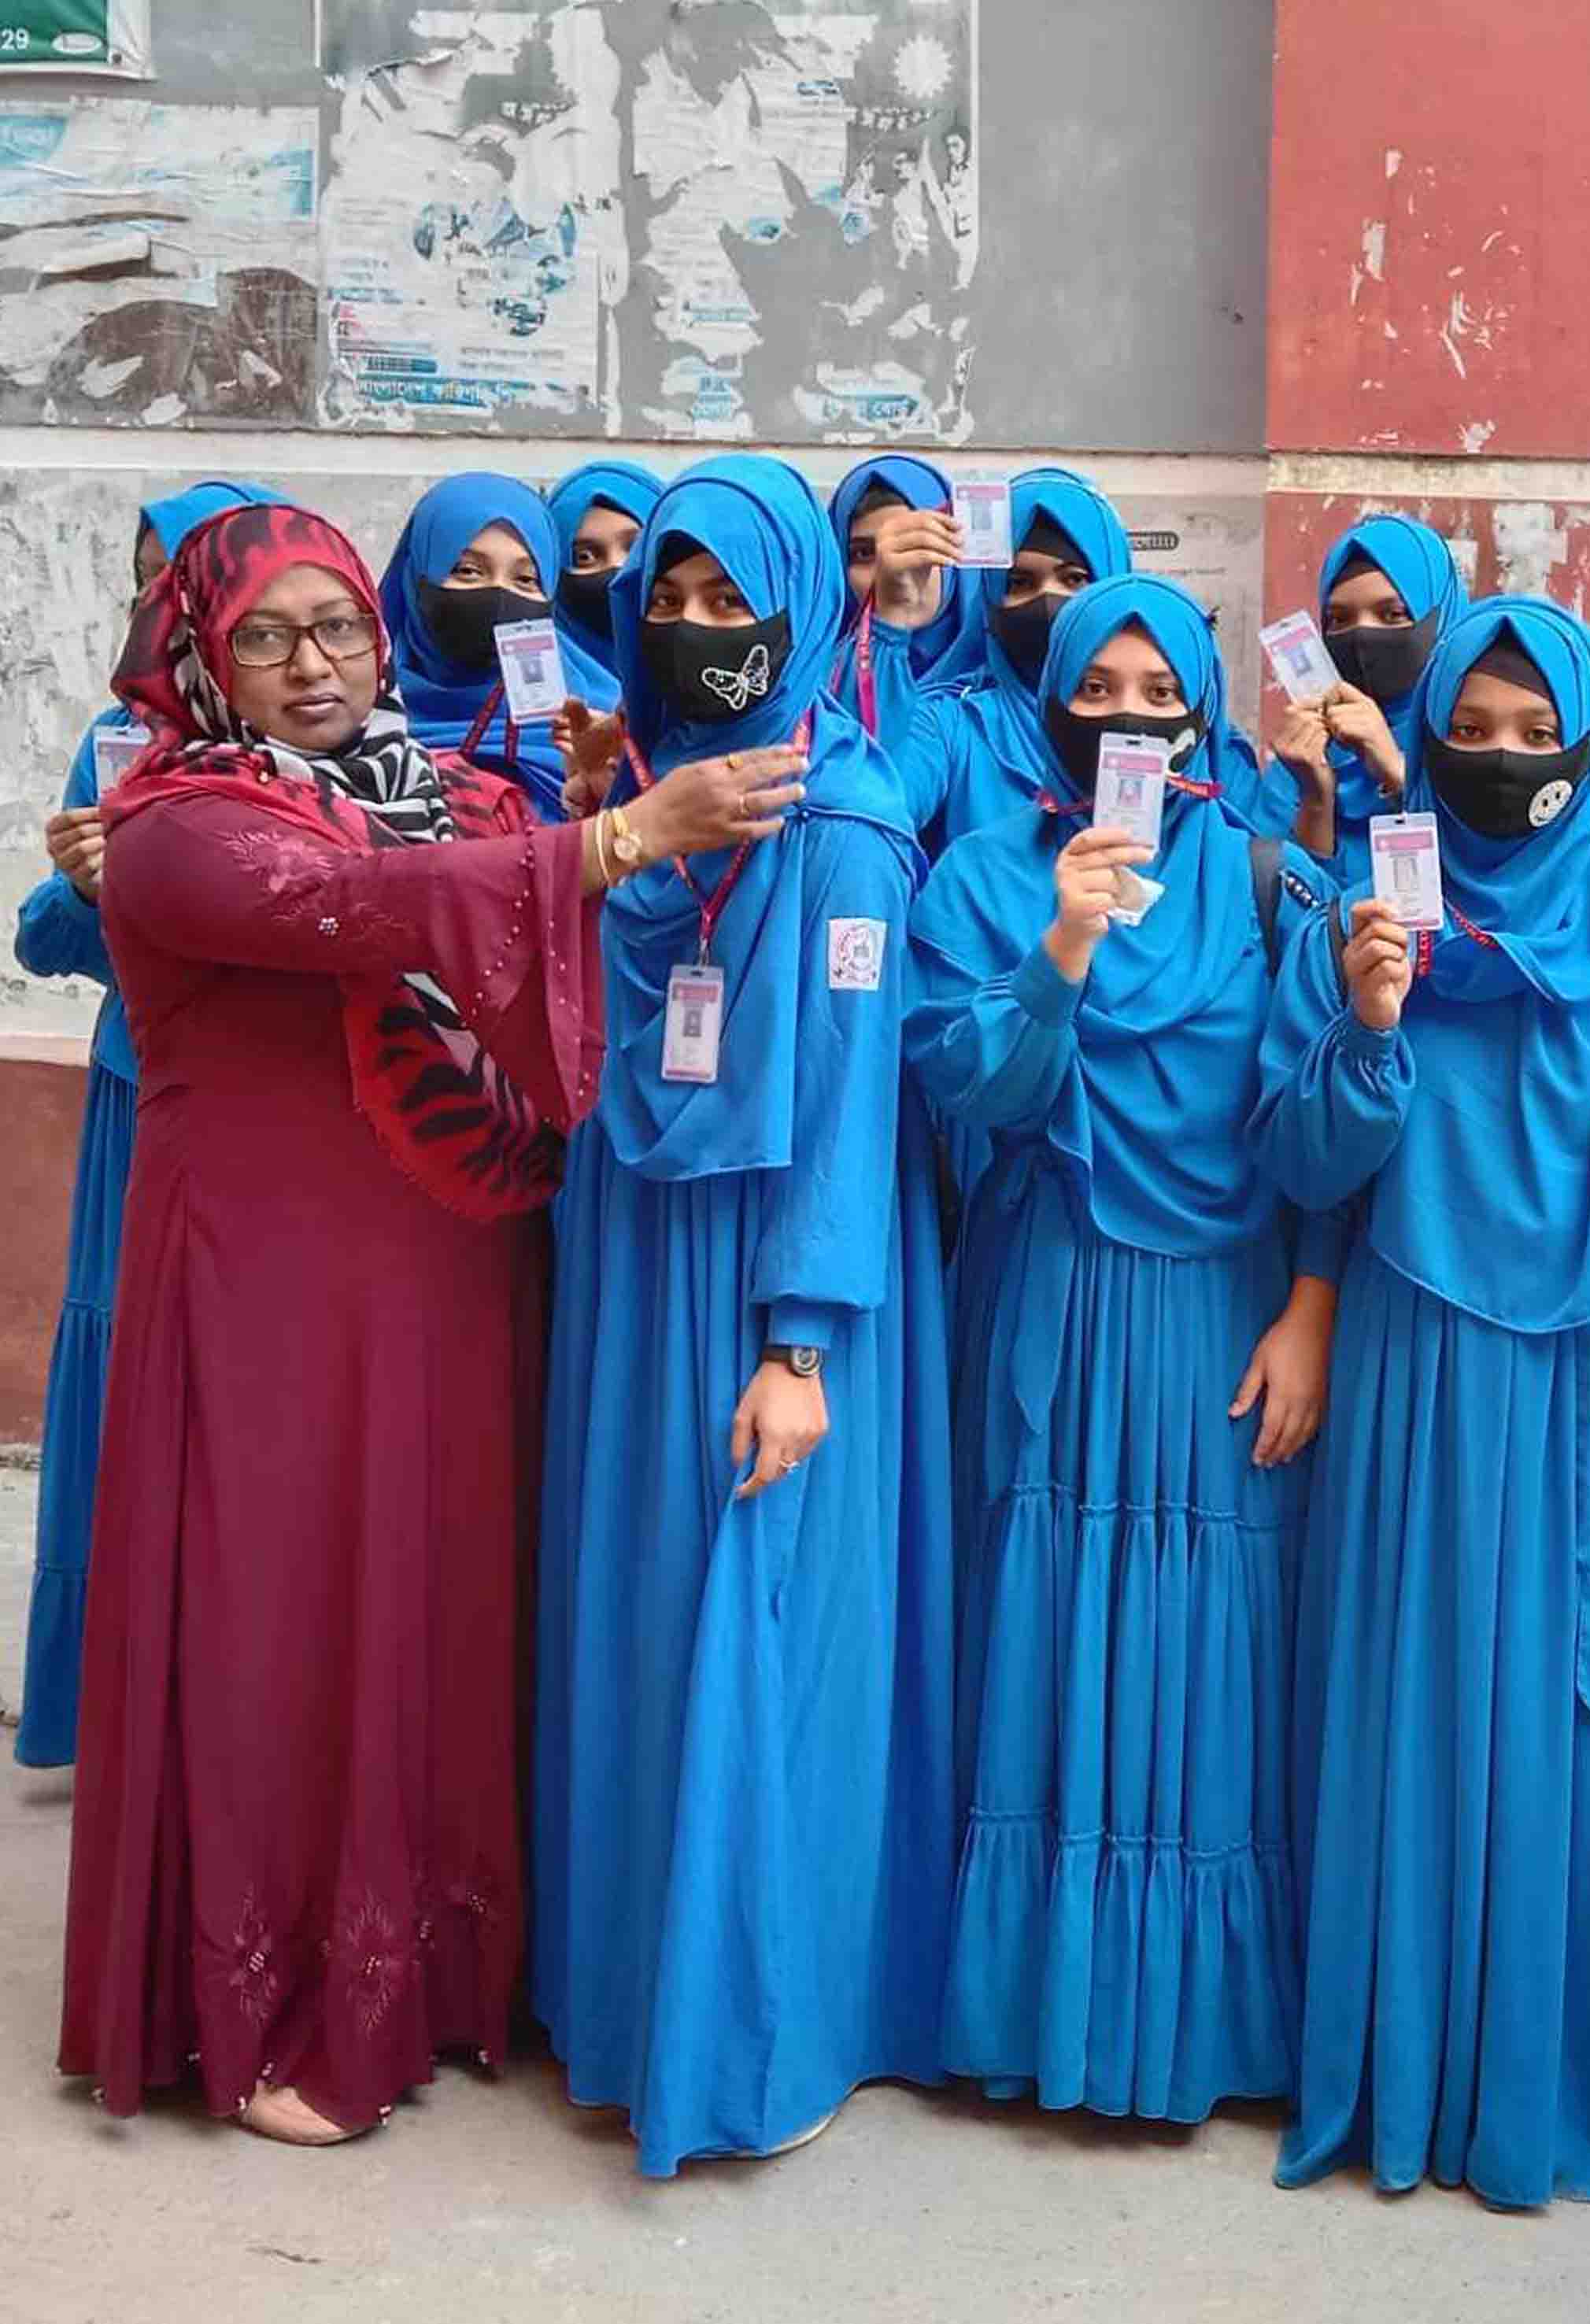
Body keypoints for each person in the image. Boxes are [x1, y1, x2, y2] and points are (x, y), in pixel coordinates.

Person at [57, 499, 776, 2146]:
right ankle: (262, 2011)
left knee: (433, 1596)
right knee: (281, 1613)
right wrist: (613, 839)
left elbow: (501, 891)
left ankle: (432, 1975)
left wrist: (588, 816)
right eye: (264, 636)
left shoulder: (446, 787)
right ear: (202, 659)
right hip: (266, 1290)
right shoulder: (178, 821)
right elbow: (361, 908)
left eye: (336, 628)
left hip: (445, 1265)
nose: (311, 664)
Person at [1259, 595, 1590, 2209]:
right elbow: (1306, 1167)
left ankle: (1539, 2081)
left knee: (1569, 1739)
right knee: (1410, 1718)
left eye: (1539, 735)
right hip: (1415, 1378)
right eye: (1468, 733)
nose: (1500, 760)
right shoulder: (1370, 931)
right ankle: (1403, 2079)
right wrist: (1369, 1026)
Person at [531, 453, 957, 2174]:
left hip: (773, 1276)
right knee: (640, 1615)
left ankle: (754, 2031)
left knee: (762, 1629)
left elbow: (849, 1092)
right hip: (638, 1250)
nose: (699, 626)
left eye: (732, 599)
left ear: (797, 605)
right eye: (672, 599)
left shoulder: (842, 822)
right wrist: (600, 834)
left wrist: (801, 1346)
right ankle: (628, 1988)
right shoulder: (650, 793)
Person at [907, 574, 1338, 2125]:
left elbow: (1315, 1119)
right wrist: (1061, 947)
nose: (1131, 721)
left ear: (1205, 712)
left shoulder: (1269, 881)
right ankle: (1035, 2010)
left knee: (1208, 1650)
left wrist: (1312, 1306)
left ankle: (1196, 2027)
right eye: (1100, 692)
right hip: (1051, 1299)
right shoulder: (981, 876)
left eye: (1162, 695)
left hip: (1223, 1314)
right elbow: (970, 1090)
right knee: (1043, 1628)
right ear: (1052, 704)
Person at [13, 479, 276, 1773]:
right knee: (129, 1388)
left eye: (188, 576)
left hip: (273, 1125)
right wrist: (88, 885)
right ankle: (114, 1706)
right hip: (141, 1097)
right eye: (145, 580)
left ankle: (237, 1708)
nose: (163, 602)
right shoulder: (119, 739)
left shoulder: (326, 733)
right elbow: (44, 939)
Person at [378, 472, 617, 820]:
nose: (500, 595)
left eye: (526, 579)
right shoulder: (359, 719)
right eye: (468, 571)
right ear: (415, 579)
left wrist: (600, 795)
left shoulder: (596, 724)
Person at [928, 465, 1137, 848]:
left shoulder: (1172, 728)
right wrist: (889, 623)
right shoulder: (952, 726)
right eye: (1020, 583)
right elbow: (872, 804)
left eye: (1074, 580)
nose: (1047, 600)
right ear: (990, 596)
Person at [1266, 512, 1468, 874]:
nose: (1362, 636)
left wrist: (1399, 774)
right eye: (1340, 619)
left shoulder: (1473, 740)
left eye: (1392, 615)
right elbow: (1281, 898)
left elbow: (1481, 873)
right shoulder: (1299, 756)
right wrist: (1316, 800)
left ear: (1442, 619)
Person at [828, 453, 987, 833]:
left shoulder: (998, 691)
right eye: (864, 554)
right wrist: (886, 625)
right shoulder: (818, 687)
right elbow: (862, 803)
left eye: (919, 546)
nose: (892, 568)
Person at [547, 459, 663, 688]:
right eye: (585, 557)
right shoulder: (534, 694)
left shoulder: (711, 676)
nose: (617, 569)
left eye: (635, 549)